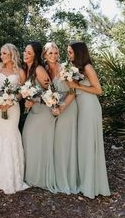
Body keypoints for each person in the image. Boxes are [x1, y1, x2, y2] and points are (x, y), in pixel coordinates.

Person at [67, 41, 110, 199]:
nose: (69, 55)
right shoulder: (75, 69)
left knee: (89, 143)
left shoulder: (87, 67)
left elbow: (98, 90)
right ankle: (84, 180)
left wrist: (77, 86)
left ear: (79, 53)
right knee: (83, 144)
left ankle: (91, 184)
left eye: (71, 52)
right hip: (80, 108)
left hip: (90, 108)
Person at [0, 43, 28, 194]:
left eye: (4, 53)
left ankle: (14, 178)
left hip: (13, 108)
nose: (1, 56)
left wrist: (11, 101)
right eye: (1, 53)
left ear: (12, 54)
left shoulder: (19, 71)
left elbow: (22, 91)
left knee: (11, 135)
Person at [43, 42, 78, 194]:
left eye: (56, 53)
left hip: (68, 107)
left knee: (64, 143)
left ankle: (67, 179)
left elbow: (73, 91)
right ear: (44, 55)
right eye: (50, 53)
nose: (54, 56)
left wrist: (62, 108)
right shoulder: (43, 70)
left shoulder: (65, 68)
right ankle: (57, 176)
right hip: (56, 108)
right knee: (57, 143)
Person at [22, 41, 56, 191]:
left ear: (35, 55)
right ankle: (30, 176)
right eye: (25, 51)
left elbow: (51, 92)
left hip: (43, 112)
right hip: (34, 111)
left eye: (29, 53)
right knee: (27, 139)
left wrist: (34, 100)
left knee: (36, 142)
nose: (26, 54)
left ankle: (39, 177)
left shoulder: (39, 70)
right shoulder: (27, 69)